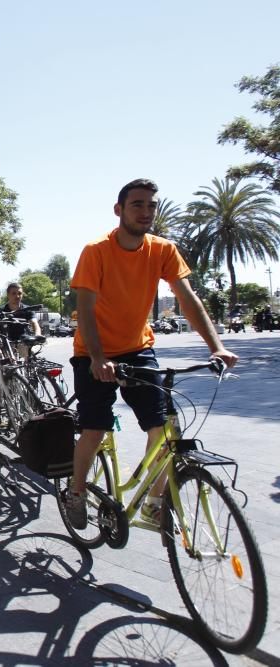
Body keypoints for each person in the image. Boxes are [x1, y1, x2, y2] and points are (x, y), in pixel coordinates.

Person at [64, 179, 238, 530]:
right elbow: (85, 308)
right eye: (137, 205)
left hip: (137, 348)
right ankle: (76, 491)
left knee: (161, 428)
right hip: (93, 353)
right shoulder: (96, 250)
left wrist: (216, 346)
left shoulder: (162, 249)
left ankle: (154, 503)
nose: (146, 212)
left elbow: (188, 299)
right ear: (119, 210)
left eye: (151, 205)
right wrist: (98, 359)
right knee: (94, 428)